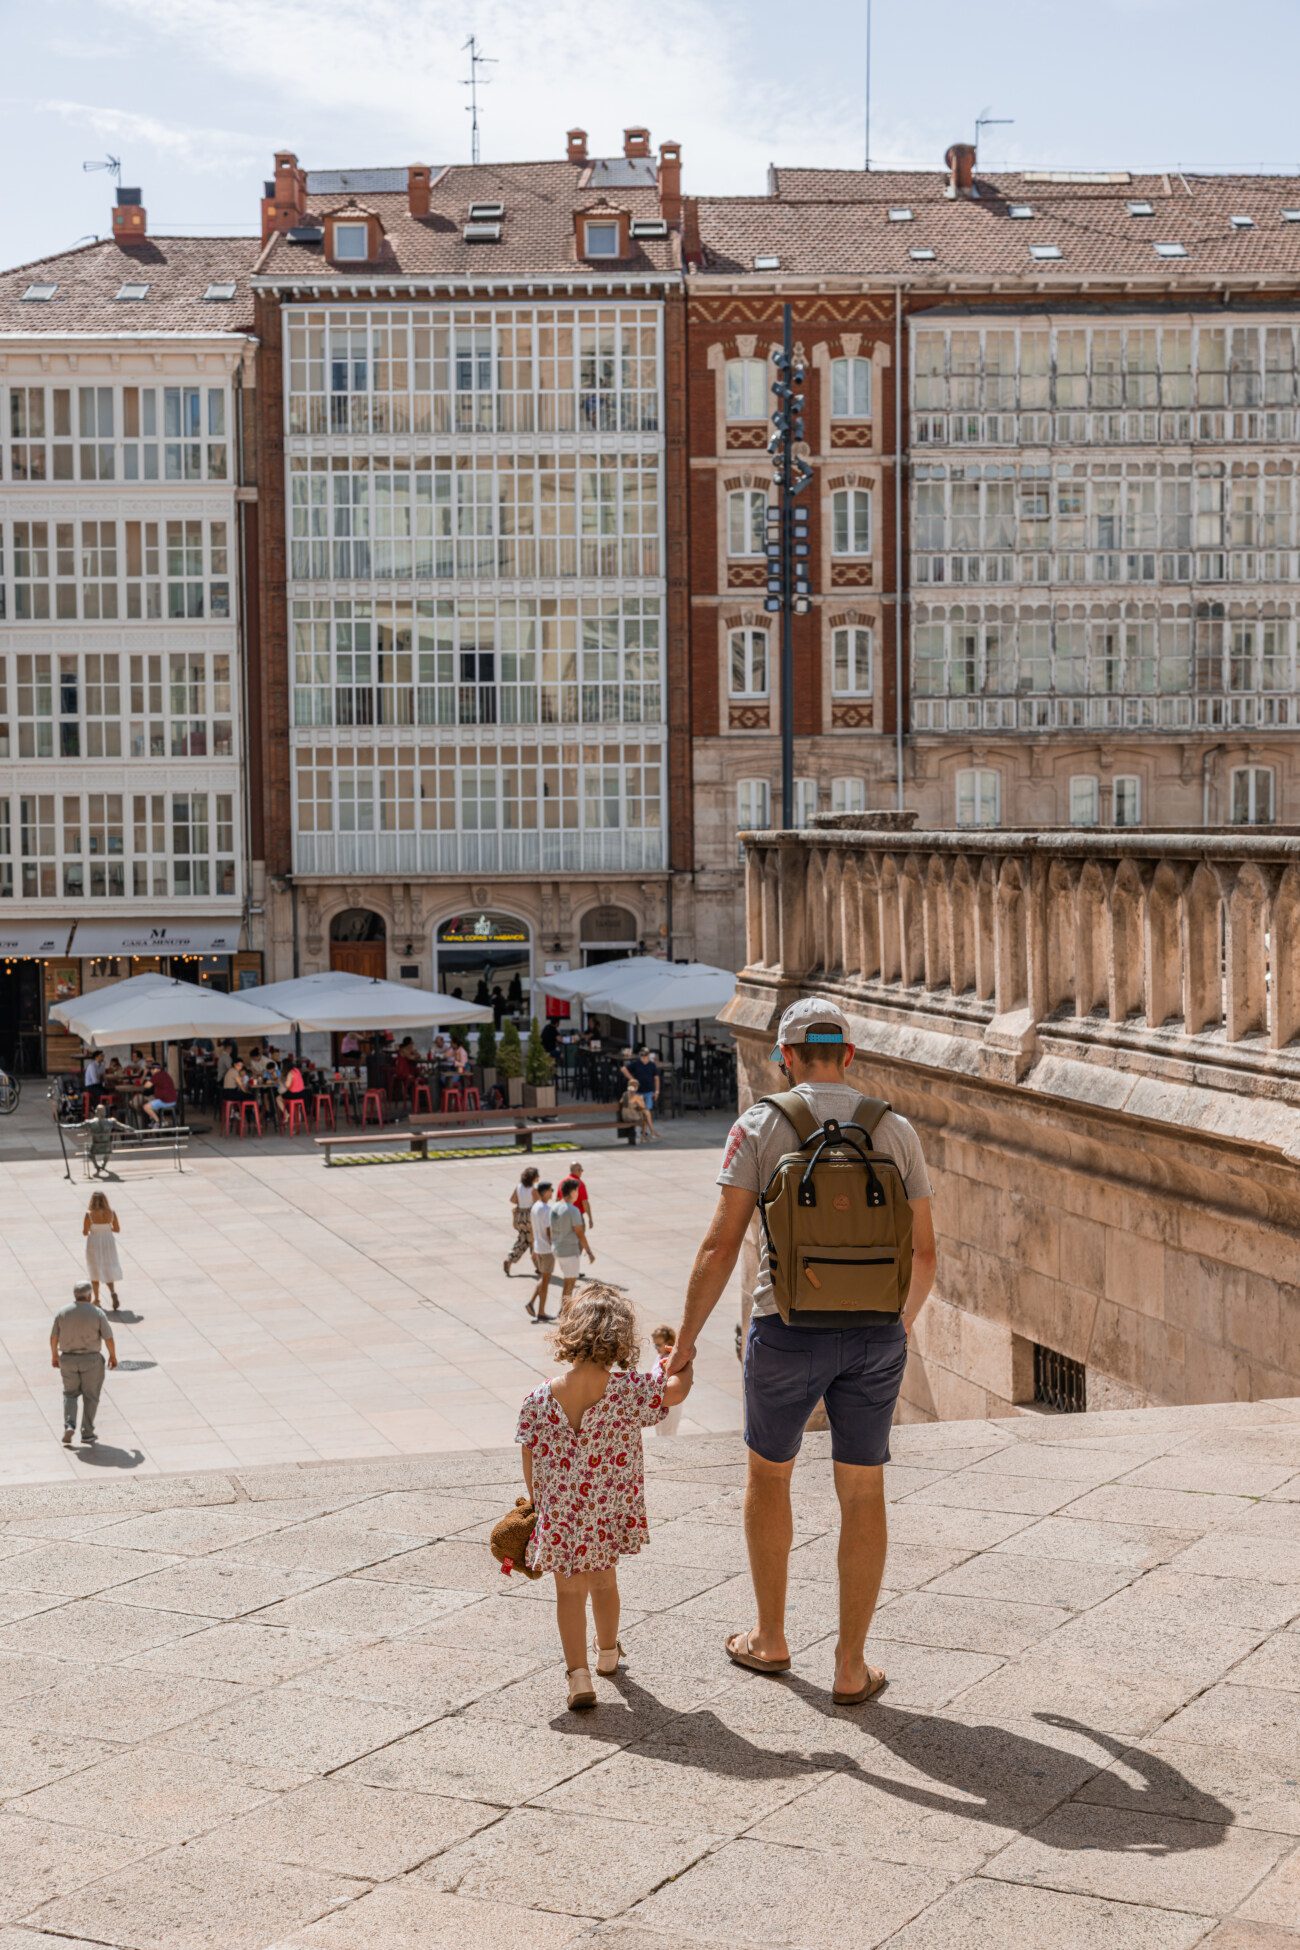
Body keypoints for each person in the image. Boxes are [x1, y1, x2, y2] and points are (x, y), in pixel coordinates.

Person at [665, 997, 938, 1706]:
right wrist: (897, 1324)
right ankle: (851, 1666)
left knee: (771, 1476)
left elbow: (720, 1245)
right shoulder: (895, 1129)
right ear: (848, 1055)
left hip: (783, 1327)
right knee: (863, 1487)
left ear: (784, 1056)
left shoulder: (760, 1124)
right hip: (875, 1331)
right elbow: (927, 1252)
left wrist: (684, 1346)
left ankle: (771, 1638)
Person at [515, 1284, 693, 1710]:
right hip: (606, 1511)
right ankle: (608, 1654)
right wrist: (684, 1364)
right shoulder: (627, 1389)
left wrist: (537, 1501)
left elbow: (529, 1454)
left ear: (569, 1334)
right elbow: (674, 1391)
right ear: (620, 1339)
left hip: (560, 1513)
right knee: (605, 1581)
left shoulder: (539, 1398)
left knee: (568, 1593)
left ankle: (578, 1677)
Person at [50, 1281, 117, 1448]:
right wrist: (112, 1356)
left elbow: (53, 1337)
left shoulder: (62, 1312)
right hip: (91, 1360)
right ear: (89, 1295)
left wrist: (54, 1356)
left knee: (70, 1394)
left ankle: (69, 1425)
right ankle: (87, 1433)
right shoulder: (97, 1313)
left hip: (68, 1359)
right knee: (91, 1396)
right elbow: (108, 1337)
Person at [548, 1176, 594, 1308]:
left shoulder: (555, 1207)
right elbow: (580, 1233)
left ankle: (564, 1308)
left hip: (557, 1248)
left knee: (568, 1281)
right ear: (573, 1192)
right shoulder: (573, 1210)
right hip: (569, 1251)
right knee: (570, 1282)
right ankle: (566, 1310)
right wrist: (589, 1252)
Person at [82, 1191, 123, 1311]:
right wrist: (106, 1228)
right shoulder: (111, 1213)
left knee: (94, 1269)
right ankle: (112, 1292)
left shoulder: (89, 1214)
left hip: (94, 1243)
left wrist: (93, 1229)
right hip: (108, 1243)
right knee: (108, 1267)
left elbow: (85, 1232)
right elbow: (117, 1229)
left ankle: (97, 1299)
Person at [527, 1181, 555, 1320]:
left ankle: (532, 1304)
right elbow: (549, 1231)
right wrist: (554, 1246)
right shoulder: (546, 1209)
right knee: (545, 1280)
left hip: (539, 1247)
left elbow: (533, 1229)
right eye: (551, 1190)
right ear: (544, 1192)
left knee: (544, 1278)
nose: (552, 1192)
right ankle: (541, 1311)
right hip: (547, 1249)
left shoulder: (535, 1207)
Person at [505, 1166, 541, 1276]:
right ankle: (538, 1265)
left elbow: (512, 1200)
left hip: (520, 1216)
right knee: (533, 1240)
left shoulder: (519, 1187)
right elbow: (538, 1203)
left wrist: (521, 1202)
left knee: (524, 1239)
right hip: (529, 1217)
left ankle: (510, 1259)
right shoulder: (533, 1190)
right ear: (533, 1178)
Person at [651, 1327, 684, 1435]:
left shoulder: (671, 1359)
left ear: (668, 1343)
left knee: (668, 1432)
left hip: (670, 1403)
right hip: (659, 1402)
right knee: (659, 1431)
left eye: (658, 1345)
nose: (656, 1347)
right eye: (655, 1344)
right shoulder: (659, 1356)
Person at [568, 1160, 593, 1229]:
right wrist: (590, 1218)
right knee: (579, 1238)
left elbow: (558, 1200)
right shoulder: (579, 1184)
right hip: (576, 1216)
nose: (582, 1171)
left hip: (564, 1216)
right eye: (581, 1170)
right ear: (577, 1171)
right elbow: (585, 1202)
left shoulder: (563, 1182)